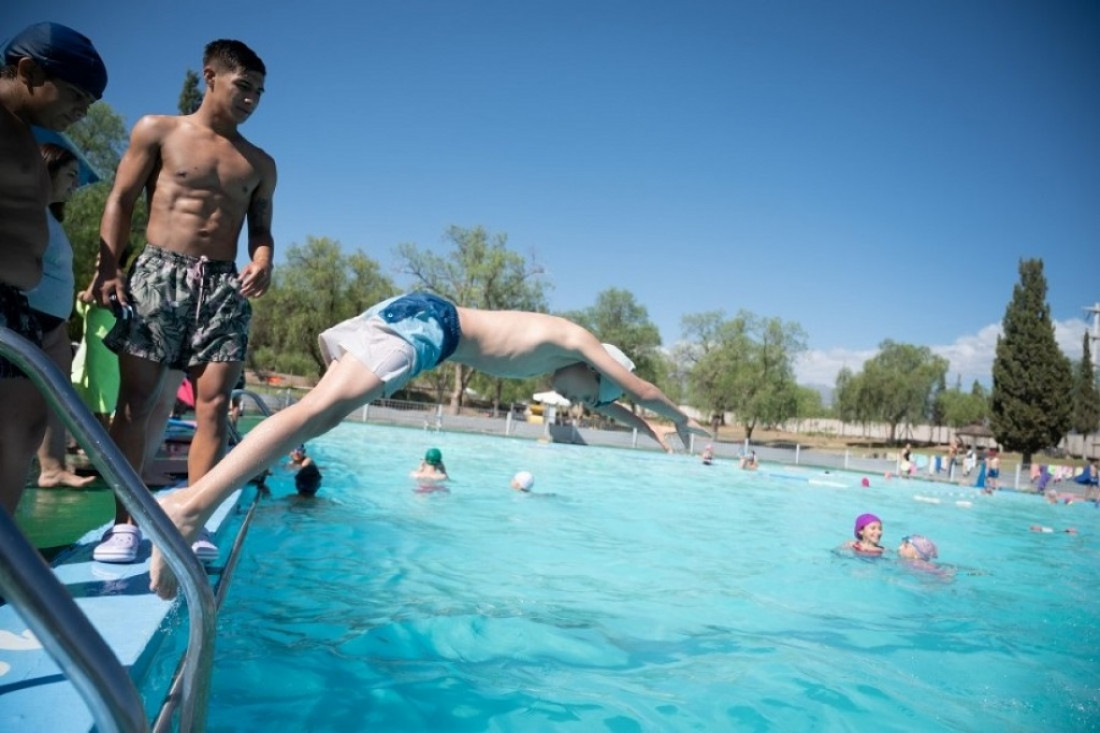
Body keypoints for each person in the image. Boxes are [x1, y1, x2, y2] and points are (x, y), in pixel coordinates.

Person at [149, 292, 710, 597]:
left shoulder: (573, 366)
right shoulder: (574, 338)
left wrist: (657, 433)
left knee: (317, 422)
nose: (585, 406)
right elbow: (637, 388)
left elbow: (620, 401)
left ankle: (194, 503)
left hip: (424, 323)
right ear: (592, 368)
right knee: (311, 413)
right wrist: (677, 416)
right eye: (590, 398)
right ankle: (190, 506)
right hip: (431, 326)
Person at [89, 39, 275, 563]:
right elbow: (121, 200)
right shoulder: (159, 130)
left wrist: (262, 261)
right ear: (210, 76)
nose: (252, 99)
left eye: (260, 92)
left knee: (214, 405)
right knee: (137, 403)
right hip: (158, 275)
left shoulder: (260, 163)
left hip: (222, 287)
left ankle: (193, 517)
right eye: (244, 86)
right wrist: (108, 266)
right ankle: (123, 525)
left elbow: (261, 231)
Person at [0, 21, 106, 514]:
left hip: (16, 304)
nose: (84, 110)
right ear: (27, 70)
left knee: (21, 430)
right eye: (77, 95)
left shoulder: (23, 132)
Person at [27, 142, 94, 488]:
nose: (75, 183)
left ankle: (52, 468)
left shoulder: (52, 217)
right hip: (28, 321)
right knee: (24, 404)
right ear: (47, 170)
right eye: (70, 175)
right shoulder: (28, 212)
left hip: (54, 324)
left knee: (56, 398)